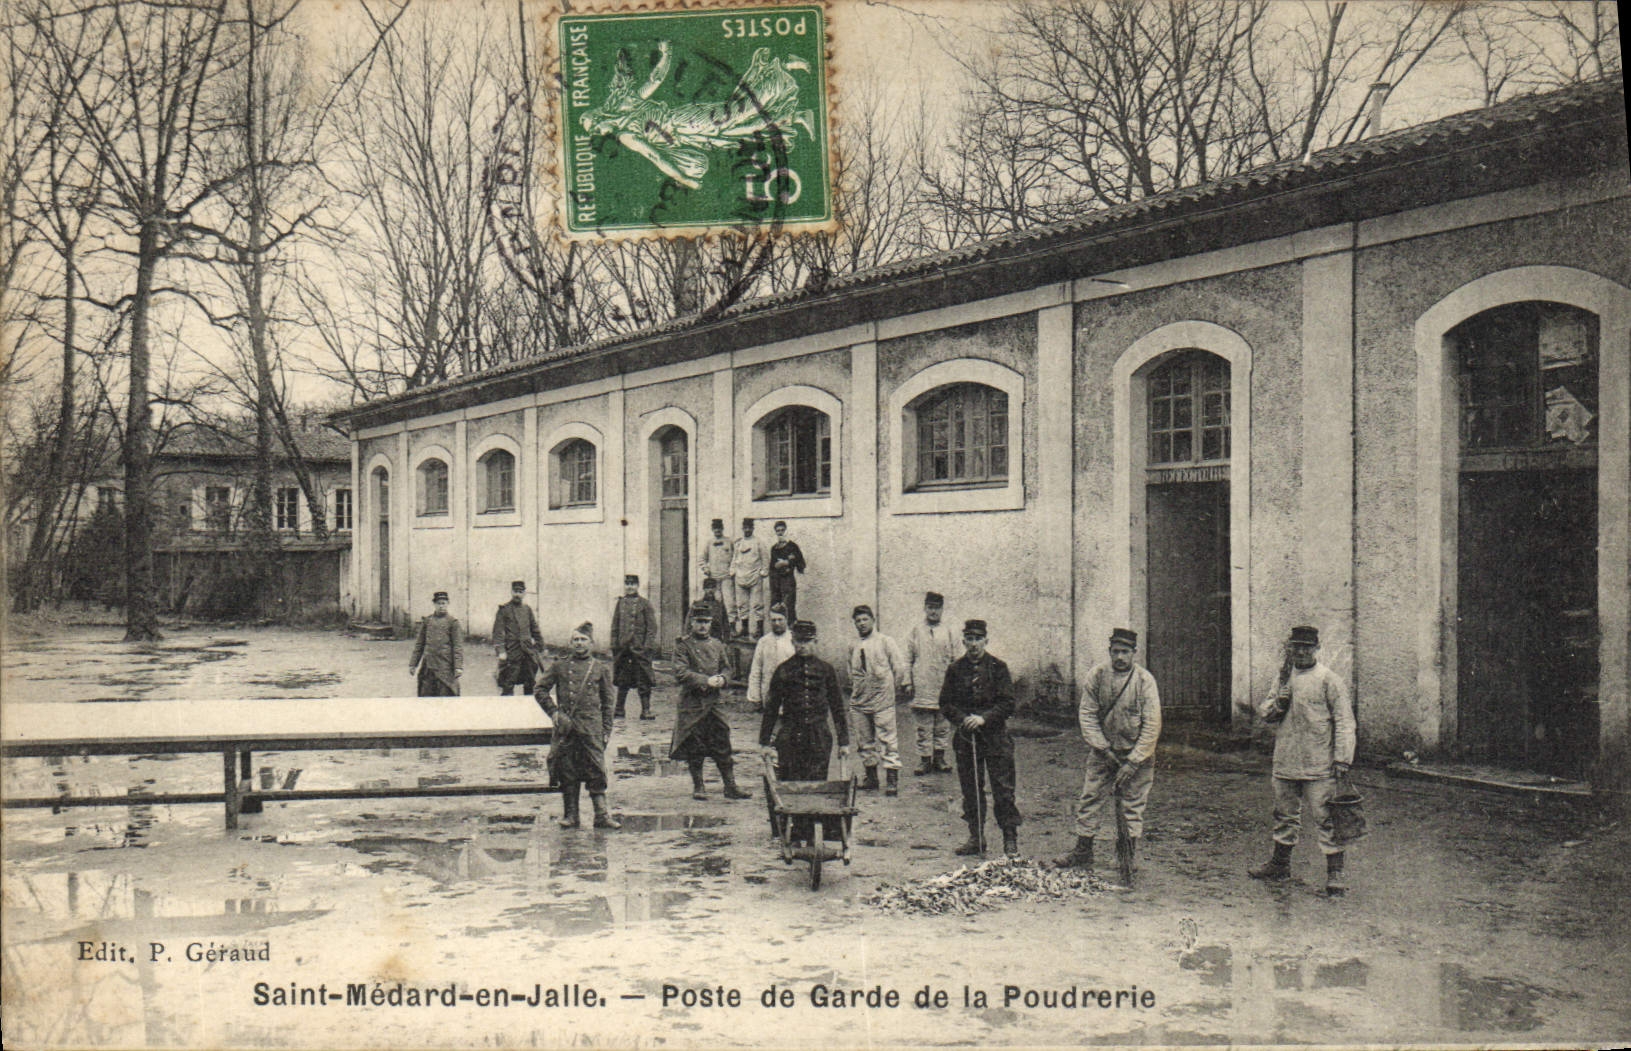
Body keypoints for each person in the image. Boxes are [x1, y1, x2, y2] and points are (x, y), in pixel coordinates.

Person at [1247, 625, 1357, 896]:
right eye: (1296, 646)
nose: (1301, 652)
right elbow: (1265, 712)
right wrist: (1279, 704)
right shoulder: (1283, 677)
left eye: (1307, 647)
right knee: (1284, 814)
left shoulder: (1329, 680)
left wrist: (1342, 759)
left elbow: (1345, 721)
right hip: (1286, 759)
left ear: (1317, 648)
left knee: (1326, 817)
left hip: (1319, 763)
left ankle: (1335, 873)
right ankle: (1279, 865)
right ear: (1290, 648)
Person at [1053, 628, 1161, 885]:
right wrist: (1103, 748)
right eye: (1115, 651)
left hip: (1136, 755)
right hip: (1104, 753)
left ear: (1134, 653)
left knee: (1132, 804)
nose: (1120, 657)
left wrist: (1133, 761)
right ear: (1109, 651)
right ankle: (1083, 850)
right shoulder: (1097, 676)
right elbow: (1087, 715)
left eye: (1125, 652)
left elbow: (1152, 725)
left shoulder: (1144, 681)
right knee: (1090, 797)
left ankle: (1127, 856)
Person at [760, 619, 850, 844]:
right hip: (791, 734)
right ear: (793, 642)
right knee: (791, 783)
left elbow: (838, 707)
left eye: (807, 641)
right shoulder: (783, 670)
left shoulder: (826, 670)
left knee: (816, 783)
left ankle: (811, 833)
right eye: (799, 641)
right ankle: (792, 832)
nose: (803, 646)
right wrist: (764, 742)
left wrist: (844, 742)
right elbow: (771, 708)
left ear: (815, 641)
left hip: (819, 735)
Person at [940, 619, 1021, 857]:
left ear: (986, 640)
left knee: (1003, 789)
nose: (974, 644)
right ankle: (976, 837)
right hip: (967, 739)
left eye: (978, 639)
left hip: (996, 738)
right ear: (963, 641)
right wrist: (963, 718)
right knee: (971, 790)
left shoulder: (999, 668)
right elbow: (945, 703)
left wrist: (984, 718)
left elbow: (1008, 703)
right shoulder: (955, 669)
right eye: (970, 639)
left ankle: (1010, 839)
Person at [535, 622, 620, 830]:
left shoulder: (600, 668)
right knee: (568, 770)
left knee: (596, 769)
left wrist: (606, 730)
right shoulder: (560, 666)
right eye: (575, 640)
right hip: (568, 728)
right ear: (570, 643)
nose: (579, 643)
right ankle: (571, 815)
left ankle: (601, 815)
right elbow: (540, 689)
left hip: (591, 727)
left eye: (583, 640)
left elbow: (608, 703)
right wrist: (554, 712)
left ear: (591, 643)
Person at [671, 601, 752, 802]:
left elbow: (727, 668)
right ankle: (699, 786)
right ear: (692, 622)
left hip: (714, 703)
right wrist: (705, 680)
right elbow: (680, 672)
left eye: (706, 622)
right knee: (695, 745)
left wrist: (723, 679)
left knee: (722, 742)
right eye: (699, 621)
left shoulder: (717, 645)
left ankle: (730, 786)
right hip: (693, 703)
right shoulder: (683, 646)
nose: (702, 626)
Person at [847, 605, 910, 796]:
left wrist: (892, 690)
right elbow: (851, 671)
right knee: (864, 741)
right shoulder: (853, 645)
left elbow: (899, 668)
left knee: (888, 740)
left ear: (873, 620)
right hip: (860, 701)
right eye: (858, 620)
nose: (861, 623)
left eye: (865, 619)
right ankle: (871, 777)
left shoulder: (885, 641)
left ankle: (891, 780)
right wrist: (857, 689)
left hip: (883, 700)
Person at [905, 591, 959, 776]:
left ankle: (940, 758)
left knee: (942, 725)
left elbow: (956, 659)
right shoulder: (916, 630)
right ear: (925, 608)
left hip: (944, 684)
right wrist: (907, 681)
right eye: (930, 607)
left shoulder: (949, 631)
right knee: (923, 726)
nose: (933, 611)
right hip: (923, 684)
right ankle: (924, 759)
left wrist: (957, 684)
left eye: (937, 608)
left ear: (942, 609)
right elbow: (908, 657)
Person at [611, 574, 659, 720]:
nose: (630, 587)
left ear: (638, 586)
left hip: (640, 649)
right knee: (622, 680)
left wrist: (647, 646)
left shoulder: (645, 604)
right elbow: (615, 625)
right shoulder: (620, 603)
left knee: (643, 680)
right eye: (627, 584)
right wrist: (615, 645)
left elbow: (652, 627)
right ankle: (619, 709)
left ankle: (646, 710)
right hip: (624, 649)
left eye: (633, 584)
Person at [492, 581, 543, 695]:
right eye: (515, 591)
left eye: (520, 592)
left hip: (528, 652)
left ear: (524, 593)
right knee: (508, 683)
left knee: (530, 682)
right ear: (511, 592)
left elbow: (535, 629)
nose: (517, 594)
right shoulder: (504, 610)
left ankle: (528, 704)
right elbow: (497, 632)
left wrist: (540, 646)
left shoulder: (527, 609)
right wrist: (501, 651)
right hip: (512, 652)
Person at [409, 591, 463, 696]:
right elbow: (420, 644)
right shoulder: (428, 621)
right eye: (438, 603)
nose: (441, 606)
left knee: (446, 695)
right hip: (428, 667)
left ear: (448, 604)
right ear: (434, 604)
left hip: (445, 667)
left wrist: (458, 667)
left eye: (443, 603)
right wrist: (413, 664)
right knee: (426, 696)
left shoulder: (453, 622)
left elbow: (457, 646)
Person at [746, 604, 797, 713]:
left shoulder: (794, 640)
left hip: (791, 696)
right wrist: (755, 697)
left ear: (786, 619)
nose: (777, 623)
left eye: (780, 619)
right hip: (769, 695)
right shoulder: (764, 642)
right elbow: (756, 669)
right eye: (773, 620)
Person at [730, 517, 771, 638]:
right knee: (742, 604)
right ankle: (744, 628)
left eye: (749, 528)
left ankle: (759, 629)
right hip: (740, 577)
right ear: (742, 528)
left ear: (753, 528)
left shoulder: (758, 542)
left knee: (757, 604)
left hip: (754, 577)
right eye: (745, 528)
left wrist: (763, 572)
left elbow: (765, 559)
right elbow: (734, 558)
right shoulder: (738, 543)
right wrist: (733, 571)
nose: (747, 530)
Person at [768, 521, 806, 623]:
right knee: (776, 607)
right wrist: (776, 566)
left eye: (782, 530)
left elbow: (801, 563)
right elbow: (772, 567)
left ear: (786, 531)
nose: (780, 532)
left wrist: (787, 562)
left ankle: (791, 627)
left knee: (788, 606)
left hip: (788, 581)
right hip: (776, 581)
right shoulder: (774, 548)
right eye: (778, 531)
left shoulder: (792, 546)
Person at [699, 519, 735, 626]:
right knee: (717, 603)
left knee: (729, 602)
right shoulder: (709, 543)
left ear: (722, 529)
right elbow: (702, 559)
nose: (717, 530)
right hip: (714, 579)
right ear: (712, 529)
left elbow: (735, 558)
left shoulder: (729, 542)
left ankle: (732, 625)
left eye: (719, 528)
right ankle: (718, 626)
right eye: (715, 529)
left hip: (726, 577)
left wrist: (732, 570)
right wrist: (705, 569)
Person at [698, 578, 731, 642]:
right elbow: (689, 624)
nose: (710, 590)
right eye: (708, 588)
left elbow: (726, 625)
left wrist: (726, 641)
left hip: (716, 640)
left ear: (715, 589)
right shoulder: (698, 604)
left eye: (712, 587)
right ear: (704, 589)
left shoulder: (720, 605)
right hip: (701, 641)